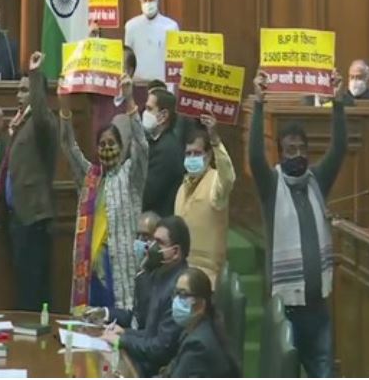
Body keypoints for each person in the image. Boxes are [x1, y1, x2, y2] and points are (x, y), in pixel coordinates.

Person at [249, 69, 346, 378]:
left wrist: (338, 103)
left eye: (303, 149)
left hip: (319, 309)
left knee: (324, 372)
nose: (299, 155)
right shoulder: (270, 186)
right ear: (280, 152)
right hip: (286, 310)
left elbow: (339, 149)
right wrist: (259, 104)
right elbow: (253, 158)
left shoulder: (317, 180)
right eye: (291, 150)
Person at [60, 74, 149, 312]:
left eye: (112, 144)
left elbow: (141, 146)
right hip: (91, 266)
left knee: (118, 320)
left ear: (121, 148)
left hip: (120, 263)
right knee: (91, 321)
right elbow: (68, 146)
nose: (107, 149)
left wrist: (130, 101)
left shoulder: (131, 175)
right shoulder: (90, 178)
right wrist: (65, 105)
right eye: (102, 145)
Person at [0, 51, 59, 311]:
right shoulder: (23, 122)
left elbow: (42, 111)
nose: (18, 95)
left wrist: (34, 75)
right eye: (19, 90)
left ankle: (36, 336)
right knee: (23, 282)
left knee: (33, 284)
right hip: (18, 215)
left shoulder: (44, 121)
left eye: (24, 90)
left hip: (33, 216)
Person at [101, 215, 191, 377]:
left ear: (176, 252)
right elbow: (150, 332)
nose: (151, 247)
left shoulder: (180, 288)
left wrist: (123, 340)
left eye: (159, 242)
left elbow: (161, 349)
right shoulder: (160, 276)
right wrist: (125, 334)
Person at [175, 116, 235, 287]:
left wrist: (215, 140)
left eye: (197, 153)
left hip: (209, 281)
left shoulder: (216, 181)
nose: (192, 157)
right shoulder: (182, 188)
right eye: (188, 153)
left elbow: (228, 177)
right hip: (182, 276)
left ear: (208, 155)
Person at [161, 267, 240, 377]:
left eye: (183, 294)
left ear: (201, 305)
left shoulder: (198, 346)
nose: (176, 300)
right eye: (176, 293)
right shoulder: (191, 331)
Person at [124, 0, 179, 82]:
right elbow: (127, 59)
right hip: (137, 84)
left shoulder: (171, 26)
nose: (148, 3)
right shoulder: (131, 26)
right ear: (140, 1)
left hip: (162, 86)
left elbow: (175, 62)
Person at [142, 89, 184, 216]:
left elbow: (147, 195)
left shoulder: (167, 150)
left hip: (156, 221)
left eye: (149, 109)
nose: (144, 113)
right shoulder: (154, 141)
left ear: (164, 116)